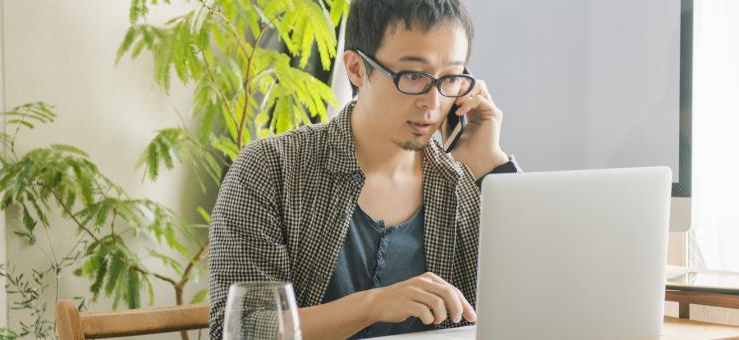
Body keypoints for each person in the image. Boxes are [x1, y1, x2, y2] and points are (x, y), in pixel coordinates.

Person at [208, 0, 520, 338]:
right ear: (356, 69)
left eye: (451, 79)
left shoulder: (470, 177)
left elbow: (539, 297)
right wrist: (373, 305)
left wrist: (488, 167)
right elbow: (242, 328)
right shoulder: (271, 168)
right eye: (414, 76)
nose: (432, 103)